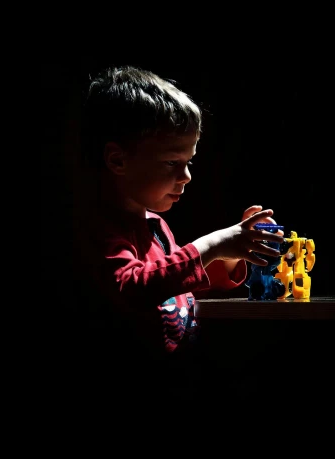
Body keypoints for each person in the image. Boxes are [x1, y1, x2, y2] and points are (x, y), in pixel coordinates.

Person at [70, 65, 285, 401]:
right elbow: (134, 287)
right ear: (117, 160)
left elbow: (176, 281)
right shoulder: (98, 228)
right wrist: (212, 244)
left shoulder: (155, 225)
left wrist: (232, 253)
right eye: (172, 162)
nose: (186, 176)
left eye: (189, 162)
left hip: (179, 383)